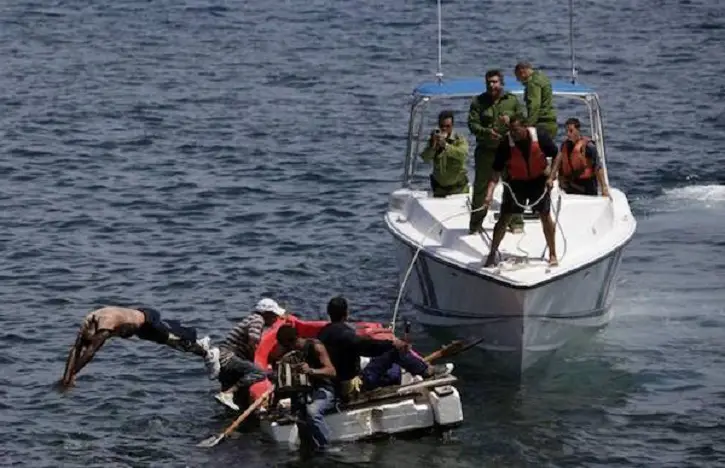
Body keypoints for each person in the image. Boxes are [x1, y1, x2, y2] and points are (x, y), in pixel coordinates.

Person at [317, 296, 451, 402]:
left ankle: (407, 370)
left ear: (329, 313)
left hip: (334, 383)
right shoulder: (346, 335)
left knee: (389, 370)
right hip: (352, 387)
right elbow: (368, 348)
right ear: (346, 313)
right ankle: (426, 370)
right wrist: (393, 344)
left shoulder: (322, 334)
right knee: (393, 351)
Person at [60, 306, 220, 388]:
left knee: (177, 341)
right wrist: (65, 378)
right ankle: (200, 345)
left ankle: (207, 351)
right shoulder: (87, 324)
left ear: (97, 334)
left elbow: (90, 352)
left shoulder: (105, 325)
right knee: (174, 343)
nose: (90, 343)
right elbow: (76, 349)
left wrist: (74, 374)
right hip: (136, 328)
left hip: (148, 321)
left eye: (92, 340)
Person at [483, 115, 560, 267]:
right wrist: (489, 194)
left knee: (545, 215)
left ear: (525, 127)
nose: (513, 134)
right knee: (504, 218)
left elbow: (557, 154)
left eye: (516, 130)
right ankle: (492, 253)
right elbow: (496, 172)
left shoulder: (540, 136)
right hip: (516, 182)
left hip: (538, 180)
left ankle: (552, 253)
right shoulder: (506, 143)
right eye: (511, 131)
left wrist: (551, 177)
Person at [467, 69, 525, 234]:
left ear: (501, 83)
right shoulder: (478, 102)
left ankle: (516, 222)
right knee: (480, 189)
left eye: (495, 82)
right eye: (489, 82)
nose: (492, 85)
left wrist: (511, 121)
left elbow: (523, 121)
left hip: (508, 150)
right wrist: (486, 132)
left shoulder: (511, 101)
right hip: (486, 151)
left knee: (513, 186)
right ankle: (476, 224)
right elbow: (472, 124)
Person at [274, 324, 337, 454]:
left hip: (323, 389)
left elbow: (331, 372)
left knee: (312, 412)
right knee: (299, 417)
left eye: (289, 345)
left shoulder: (315, 347)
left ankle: (328, 446)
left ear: (295, 339)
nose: (289, 348)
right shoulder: (289, 353)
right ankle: (307, 447)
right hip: (303, 390)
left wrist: (311, 371)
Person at [214, 298, 286, 411]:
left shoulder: (251, 318)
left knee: (233, 400)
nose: (276, 318)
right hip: (229, 357)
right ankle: (228, 394)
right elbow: (253, 341)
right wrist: (253, 361)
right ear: (266, 314)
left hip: (224, 356)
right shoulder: (258, 320)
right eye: (274, 315)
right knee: (259, 372)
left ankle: (230, 406)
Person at [551, 117, 610, 197]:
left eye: (571, 131)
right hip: (571, 186)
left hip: (586, 187)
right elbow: (558, 161)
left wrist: (604, 188)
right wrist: (551, 177)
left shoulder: (588, 146)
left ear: (578, 130)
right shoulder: (565, 145)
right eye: (567, 131)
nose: (568, 134)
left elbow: (598, 167)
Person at [419, 110, 469, 198]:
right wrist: (433, 147)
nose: (444, 129)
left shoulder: (459, 139)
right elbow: (425, 158)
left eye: (447, 126)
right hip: (440, 190)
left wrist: (446, 146)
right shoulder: (434, 139)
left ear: (452, 126)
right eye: (442, 126)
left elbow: (462, 154)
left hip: (458, 189)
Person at [514, 62, 558, 139]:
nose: (518, 80)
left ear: (522, 72)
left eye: (518, 77)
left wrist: (528, 125)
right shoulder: (543, 77)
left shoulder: (533, 83)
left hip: (542, 124)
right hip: (551, 124)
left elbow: (534, 105)